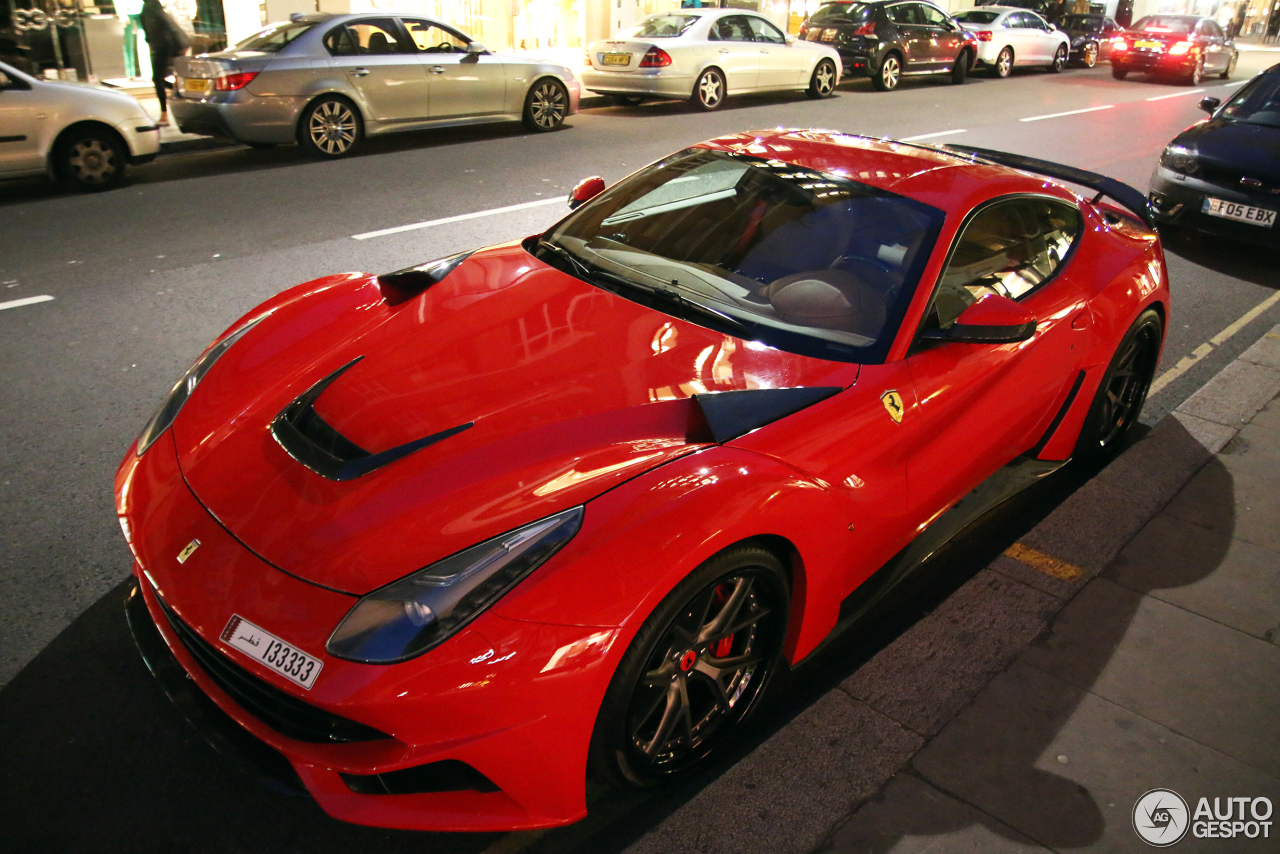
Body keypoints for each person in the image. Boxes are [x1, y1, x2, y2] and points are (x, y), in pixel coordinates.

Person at [139, 0, 189, 126]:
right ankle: (178, 91)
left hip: (161, 47)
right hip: (163, 46)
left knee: (157, 79)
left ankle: (164, 115)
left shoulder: (150, 7)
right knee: (158, 79)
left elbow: (164, 26)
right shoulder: (152, 7)